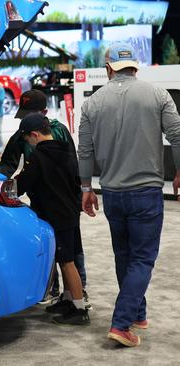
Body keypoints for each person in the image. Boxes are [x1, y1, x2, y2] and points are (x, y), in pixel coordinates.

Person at [78, 42, 180, 346]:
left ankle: (137, 313)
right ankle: (121, 324)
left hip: (111, 193)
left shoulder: (93, 103)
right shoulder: (158, 95)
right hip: (146, 192)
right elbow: (177, 135)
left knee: (125, 256)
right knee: (143, 258)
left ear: (109, 68)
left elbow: (85, 150)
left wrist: (86, 188)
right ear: (135, 65)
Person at [0, 89, 89, 307]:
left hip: (62, 205)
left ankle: (78, 296)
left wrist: (80, 196)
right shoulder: (25, 136)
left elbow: (74, 170)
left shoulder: (54, 139)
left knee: (70, 253)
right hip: (46, 204)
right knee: (54, 250)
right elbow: (7, 164)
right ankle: (59, 293)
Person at [15, 113, 89, 326]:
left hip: (55, 217)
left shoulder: (39, 156)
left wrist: (5, 189)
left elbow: (22, 185)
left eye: (28, 140)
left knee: (66, 262)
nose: (28, 144)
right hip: (70, 214)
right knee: (68, 258)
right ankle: (68, 300)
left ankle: (79, 309)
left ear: (35, 135)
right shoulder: (66, 149)